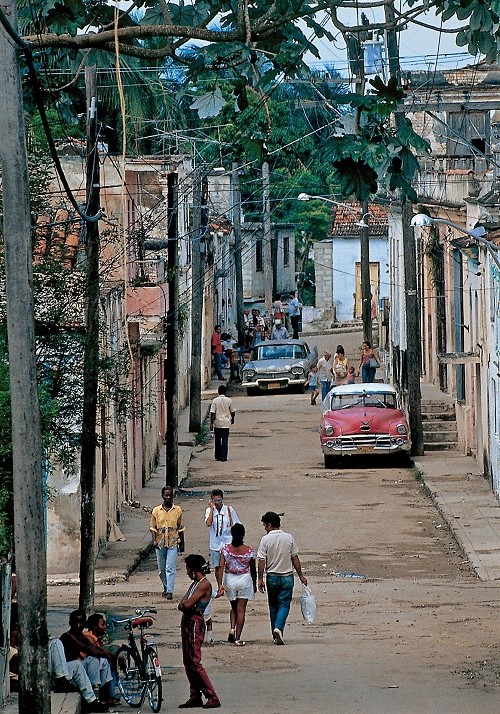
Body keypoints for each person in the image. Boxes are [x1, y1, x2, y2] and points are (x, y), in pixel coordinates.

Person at [257, 512, 307, 645]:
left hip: (272, 576)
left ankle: (275, 630)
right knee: (284, 605)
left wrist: (260, 578)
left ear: (269, 524)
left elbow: (262, 560)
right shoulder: (288, 538)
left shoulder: (265, 540)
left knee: (273, 606)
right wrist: (301, 575)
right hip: (287, 577)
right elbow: (294, 558)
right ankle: (279, 628)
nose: (265, 528)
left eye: (265, 525)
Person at [178, 554, 221, 709]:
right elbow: (183, 603)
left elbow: (186, 604)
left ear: (194, 570)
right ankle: (195, 695)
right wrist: (184, 605)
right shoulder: (196, 583)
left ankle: (212, 696)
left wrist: (184, 605)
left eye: (188, 569)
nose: (187, 573)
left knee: (194, 661)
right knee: (188, 661)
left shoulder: (203, 585)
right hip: (188, 621)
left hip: (195, 622)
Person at [204, 489, 240, 643]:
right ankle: (220, 585)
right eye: (215, 500)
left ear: (222, 499)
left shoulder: (229, 510)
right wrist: (211, 509)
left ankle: (229, 581)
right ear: (212, 500)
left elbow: (235, 525)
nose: (218, 503)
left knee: (228, 565)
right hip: (215, 543)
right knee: (217, 566)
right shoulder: (209, 510)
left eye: (219, 500)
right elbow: (208, 523)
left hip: (227, 541)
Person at [59, 610, 115, 708]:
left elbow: (93, 647)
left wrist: (109, 655)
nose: (78, 625)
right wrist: (106, 655)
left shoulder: (81, 636)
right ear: (70, 623)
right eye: (75, 623)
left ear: (84, 624)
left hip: (77, 670)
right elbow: (87, 649)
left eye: (80, 623)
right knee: (93, 659)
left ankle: (104, 696)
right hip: (68, 674)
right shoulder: (67, 636)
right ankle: (94, 693)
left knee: (103, 661)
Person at [216, 523, 256, 646]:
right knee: (241, 610)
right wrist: (254, 583)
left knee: (233, 607)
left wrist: (219, 584)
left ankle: (232, 628)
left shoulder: (225, 549)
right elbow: (253, 569)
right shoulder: (249, 550)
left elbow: (220, 567)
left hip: (230, 579)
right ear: (243, 534)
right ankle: (238, 638)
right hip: (244, 579)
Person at [150, 486, 185, 599]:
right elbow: (153, 527)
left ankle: (170, 591)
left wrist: (182, 542)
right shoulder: (156, 511)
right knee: (162, 569)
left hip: (173, 542)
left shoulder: (177, 510)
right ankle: (165, 587)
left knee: (170, 567)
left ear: (173, 496)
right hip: (160, 543)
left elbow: (180, 527)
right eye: (166, 495)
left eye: (170, 495)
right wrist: (154, 540)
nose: (168, 497)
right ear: (162, 496)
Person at [209, 384, 235, 462]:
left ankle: (218, 455)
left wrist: (211, 423)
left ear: (218, 391)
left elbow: (213, 413)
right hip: (226, 423)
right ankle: (224, 456)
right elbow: (232, 411)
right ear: (225, 392)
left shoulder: (215, 401)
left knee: (217, 439)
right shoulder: (229, 400)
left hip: (217, 422)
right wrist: (232, 419)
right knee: (225, 440)